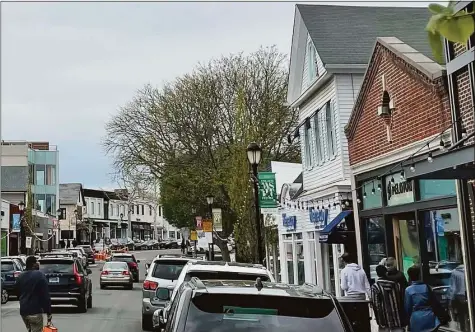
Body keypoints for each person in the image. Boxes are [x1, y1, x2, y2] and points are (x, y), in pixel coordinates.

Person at [16, 256, 52, 332]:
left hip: (24, 312)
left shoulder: (20, 276)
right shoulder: (39, 275)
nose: (38, 264)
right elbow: (45, 296)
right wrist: (48, 312)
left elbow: (17, 293)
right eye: (36, 262)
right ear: (33, 264)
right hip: (35, 311)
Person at [404, 265, 440, 332]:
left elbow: (408, 308)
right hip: (430, 316)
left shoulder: (408, 290)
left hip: (416, 319)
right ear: (420, 275)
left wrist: (407, 321)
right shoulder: (427, 287)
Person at [371, 265, 406, 332]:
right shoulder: (396, 284)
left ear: (377, 274)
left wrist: (379, 319)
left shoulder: (375, 287)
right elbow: (401, 299)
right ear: (386, 272)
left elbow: (375, 304)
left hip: (383, 319)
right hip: (397, 317)